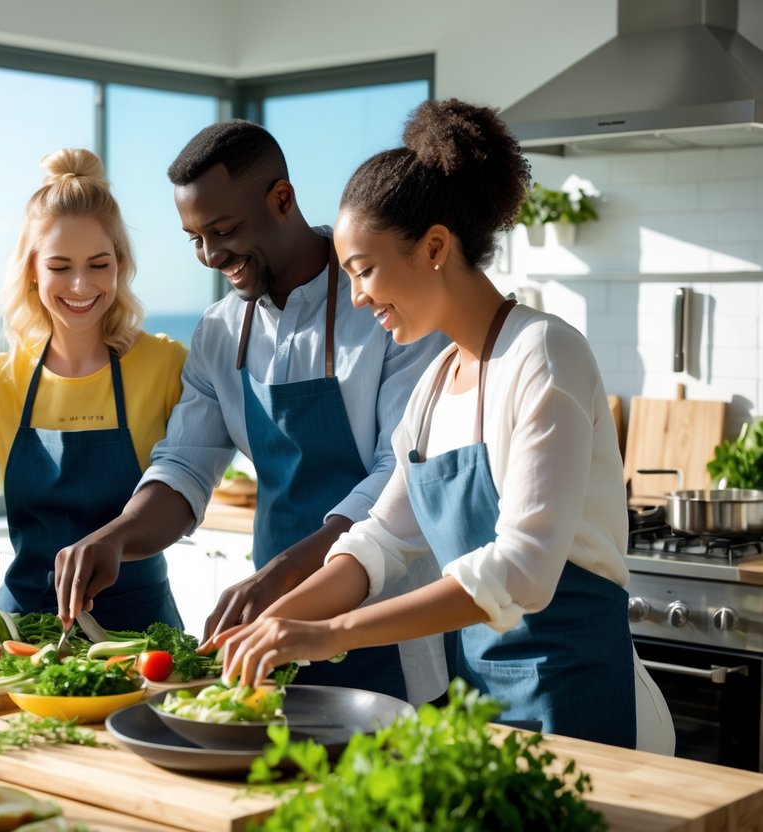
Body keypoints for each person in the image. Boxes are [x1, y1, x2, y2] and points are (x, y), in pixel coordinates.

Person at [211, 99, 672, 750]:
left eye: (364, 269)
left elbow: (520, 572)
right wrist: (270, 625)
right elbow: (380, 543)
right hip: (480, 714)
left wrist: (333, 634)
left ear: (433, 246)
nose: (360, 295)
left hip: (580, 707)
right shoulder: (432, 388)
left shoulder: (542, 354)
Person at [53, 121, 451, 705]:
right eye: (195, 238)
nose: (212, 256)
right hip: (270, 631)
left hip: (388, 620)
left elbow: (399, 478)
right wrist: (116, 537)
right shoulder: (218, 332)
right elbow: (184, 468)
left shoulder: (390, 307)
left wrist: (281, 576)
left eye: (224, 229)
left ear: (282, 199)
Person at [0, 148, 188, 632]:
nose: (80, 284)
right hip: (28, 633)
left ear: (120, 265)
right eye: (60, 266)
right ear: (32, 271)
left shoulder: (164, 365)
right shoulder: (2, 380)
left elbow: (190, 489)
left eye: (98, 264)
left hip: (144, 636)